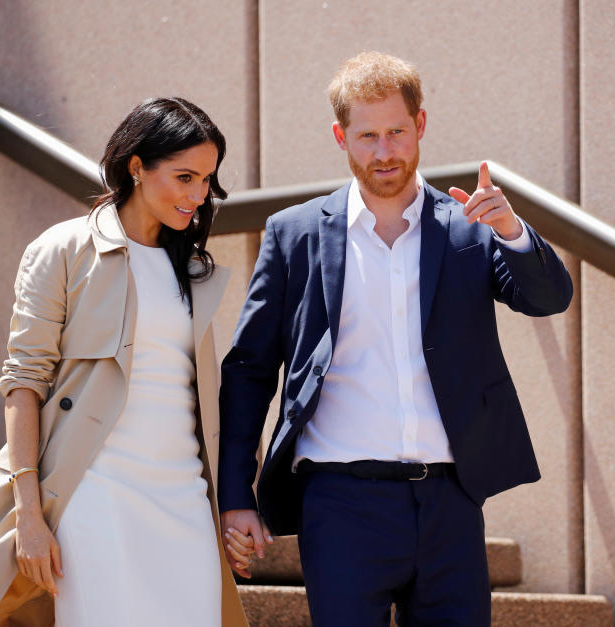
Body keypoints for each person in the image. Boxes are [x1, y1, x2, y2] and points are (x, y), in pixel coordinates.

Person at [217, 52, 573, 626]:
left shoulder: (470, 227)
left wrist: (510, 229)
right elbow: (249, 370)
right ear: (341, 137)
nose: (385, 152)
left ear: (421, 126)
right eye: (368, 136)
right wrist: (237, 494)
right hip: (338, 503)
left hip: (451, 500)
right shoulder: (294, 234)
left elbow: (549, 297)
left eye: (397, 132)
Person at [0, 97, 247, 626]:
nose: (197, 195)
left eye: (207, 181)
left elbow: (200, 398)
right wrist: (29, 514)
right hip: (94, 493)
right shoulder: (64, 249)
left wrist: (228, 504)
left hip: (183, 495)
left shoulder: (192, 270)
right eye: (184, 176)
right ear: (137, 167)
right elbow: (23, 384)